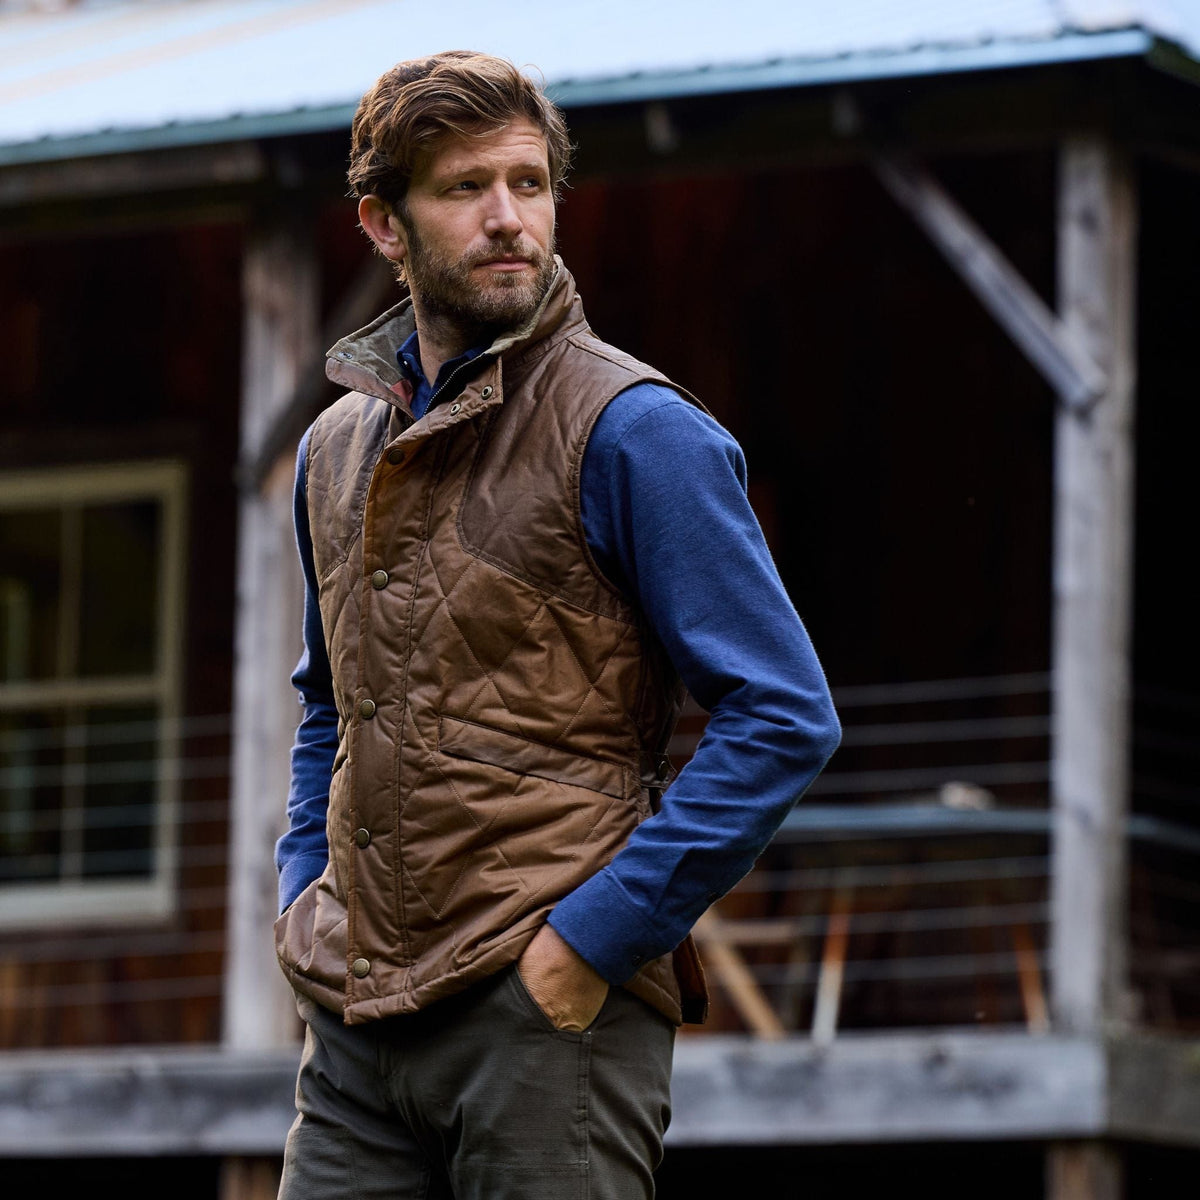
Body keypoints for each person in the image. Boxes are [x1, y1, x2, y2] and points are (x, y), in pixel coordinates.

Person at [273, 48, 841, 1200]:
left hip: (544, 1018)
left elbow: (783, 714)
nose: (506, 220)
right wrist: (301, 896)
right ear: (385, 223)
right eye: (465, 188)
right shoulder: (332, 451)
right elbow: (333, 702)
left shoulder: (633, 430)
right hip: (357, 1025)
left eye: (529, 185)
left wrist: (592, 942)